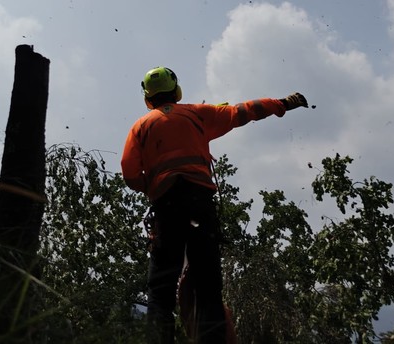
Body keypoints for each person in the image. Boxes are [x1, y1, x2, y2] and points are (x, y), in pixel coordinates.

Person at [121, 66, 308, 344]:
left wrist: (152, 186)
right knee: (207, 285)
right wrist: (282, 104)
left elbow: (130, 173)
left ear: (148, 98)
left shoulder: (141, 127)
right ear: (176, 91)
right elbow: (242, 111)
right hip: (200, 204)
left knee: (161, 290)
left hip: (166, 208)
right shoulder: (198, 113)